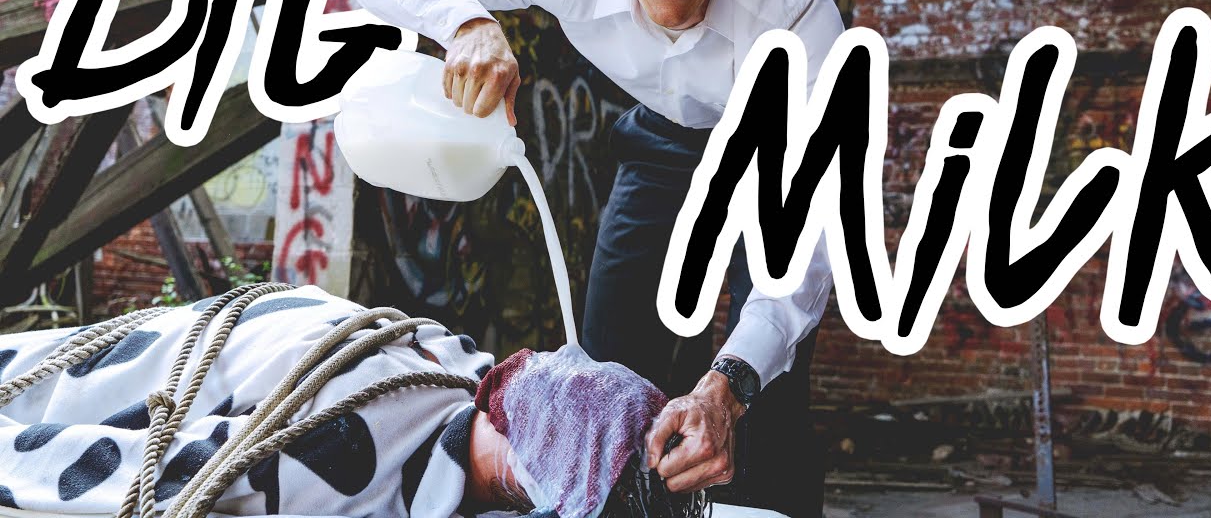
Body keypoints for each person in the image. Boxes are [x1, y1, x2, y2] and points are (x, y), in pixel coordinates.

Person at [344, 0, 840, 518]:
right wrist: (465, 22)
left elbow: (807, 243)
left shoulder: (795, 5)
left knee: (765, 401)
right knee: (607, 370)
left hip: (773, 153)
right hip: (662, 143)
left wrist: (726, 386)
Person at [0, 285, 706, 518]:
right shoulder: (339, 463)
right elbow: (125, 476)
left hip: (158, 347)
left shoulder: (455, 362)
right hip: (80, 382)